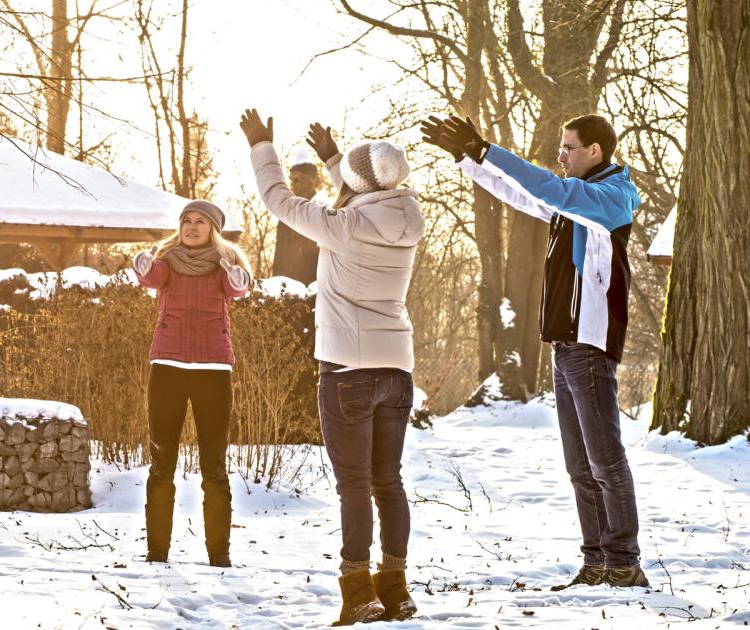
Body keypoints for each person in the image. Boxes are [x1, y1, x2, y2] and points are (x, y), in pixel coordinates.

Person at [420, 113, 648, 589]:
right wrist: (469, 160)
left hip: (590, 344)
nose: (561, 156)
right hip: (565, 347)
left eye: (569, 148)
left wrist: (489, 151)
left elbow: (551, 189)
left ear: (595, 153)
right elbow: (524, 195)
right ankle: (596, 562)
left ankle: (623, 562)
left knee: (605, 460)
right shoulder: (575, 201)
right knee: (579, 464)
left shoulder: (610, 199)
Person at [240, 109, 425, 624]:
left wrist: (262, 148)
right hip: (397, 369)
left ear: (357, 183)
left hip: (347, 369)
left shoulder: (342, 226)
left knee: (355, 487)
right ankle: (396, 589)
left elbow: (279, 200)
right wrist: (333, 156)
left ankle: (357, 591)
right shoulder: (407, 218)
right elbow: (371, 186)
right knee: (388, 482)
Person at [132, 200, 253, 568]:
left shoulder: (223, 267)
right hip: (167, 368)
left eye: (200, 222)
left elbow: (239, 289)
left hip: (213, 372)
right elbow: (150, 278)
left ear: (213, 229)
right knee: (161, 464)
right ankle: (157, 553)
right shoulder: (167, 264)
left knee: (214, 467)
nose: (192, 227)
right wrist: (143, 265)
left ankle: (219, 555)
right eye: (186, 221)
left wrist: (236, 276)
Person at [271, 148, 324, 284]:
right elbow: (279, 256)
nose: (293, 184)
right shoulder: (286, 214)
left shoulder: (322, 210)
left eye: (297, 179)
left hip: (316, 286)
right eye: (291, 179)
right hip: (288, 288)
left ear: (312, 180)